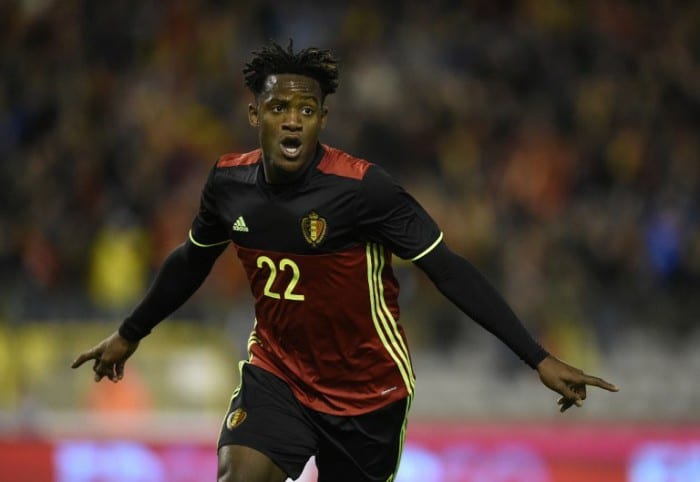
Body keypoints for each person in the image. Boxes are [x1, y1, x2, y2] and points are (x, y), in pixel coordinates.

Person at [72, 40, 619, 482]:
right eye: (279, 108)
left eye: (306, 111)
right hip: (278, 373)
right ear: (253, 112)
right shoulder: (228, 184)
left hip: (367, 392)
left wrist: (537, 357)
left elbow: (446, 267)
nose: (292, 122)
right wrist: (131, 332)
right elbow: (192, 260)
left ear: (322, 119)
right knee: (236, 476)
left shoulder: (364, 190)